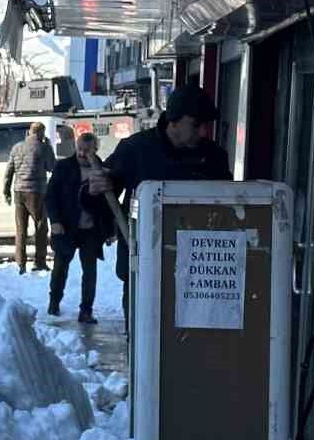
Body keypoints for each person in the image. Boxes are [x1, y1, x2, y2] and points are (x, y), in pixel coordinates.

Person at [92, 83, 231, 332]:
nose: (202, 131)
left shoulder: (214, 157)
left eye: (205, 125)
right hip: (144, 270)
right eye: (195, 124)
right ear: (174, 121)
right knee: (143, 346)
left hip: (197, 277)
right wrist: (95, 188)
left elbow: (229, 211)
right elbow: (103, 194)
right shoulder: (135, 150)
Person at [44, 130, 112, 323]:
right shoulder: (64, 167)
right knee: (60, 268)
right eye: (80, 149)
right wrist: (55, 222)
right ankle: (54, 302)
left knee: (90, 272)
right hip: (66, 226)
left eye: (87, 150)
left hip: (90, 230)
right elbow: (50, 196)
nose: (82, 153)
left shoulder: (102, 169)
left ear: (96, 149)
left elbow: (108, 202)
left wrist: (109, 230)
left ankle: (86, 311)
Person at [3, 121, 55, 274]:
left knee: (21, 230)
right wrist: (49, 147)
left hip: (18, 191)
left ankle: (20, 263)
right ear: (41, 133)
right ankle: (39, 262)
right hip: (37, 192)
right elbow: (52, 167)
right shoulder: (43, 147)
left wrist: (6, 191)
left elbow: (9, 172)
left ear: (29, 132)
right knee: (40, 227)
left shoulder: (16, 147)